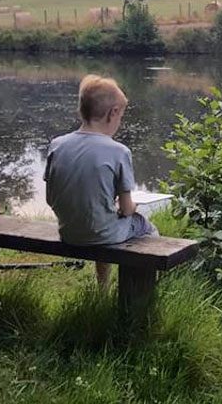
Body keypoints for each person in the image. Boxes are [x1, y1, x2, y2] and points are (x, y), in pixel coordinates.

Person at [44, 74, 158, 289]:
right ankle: (142, 292)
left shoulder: (57, 145)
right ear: (113, 113)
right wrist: (132, 206)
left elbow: (50, 198)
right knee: (146, 227)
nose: (120, 121)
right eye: (121, 116)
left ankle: (102, 288)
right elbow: (125, 210)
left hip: (67, 233)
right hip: (103, 234)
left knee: (103, 216)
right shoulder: (119, 151)